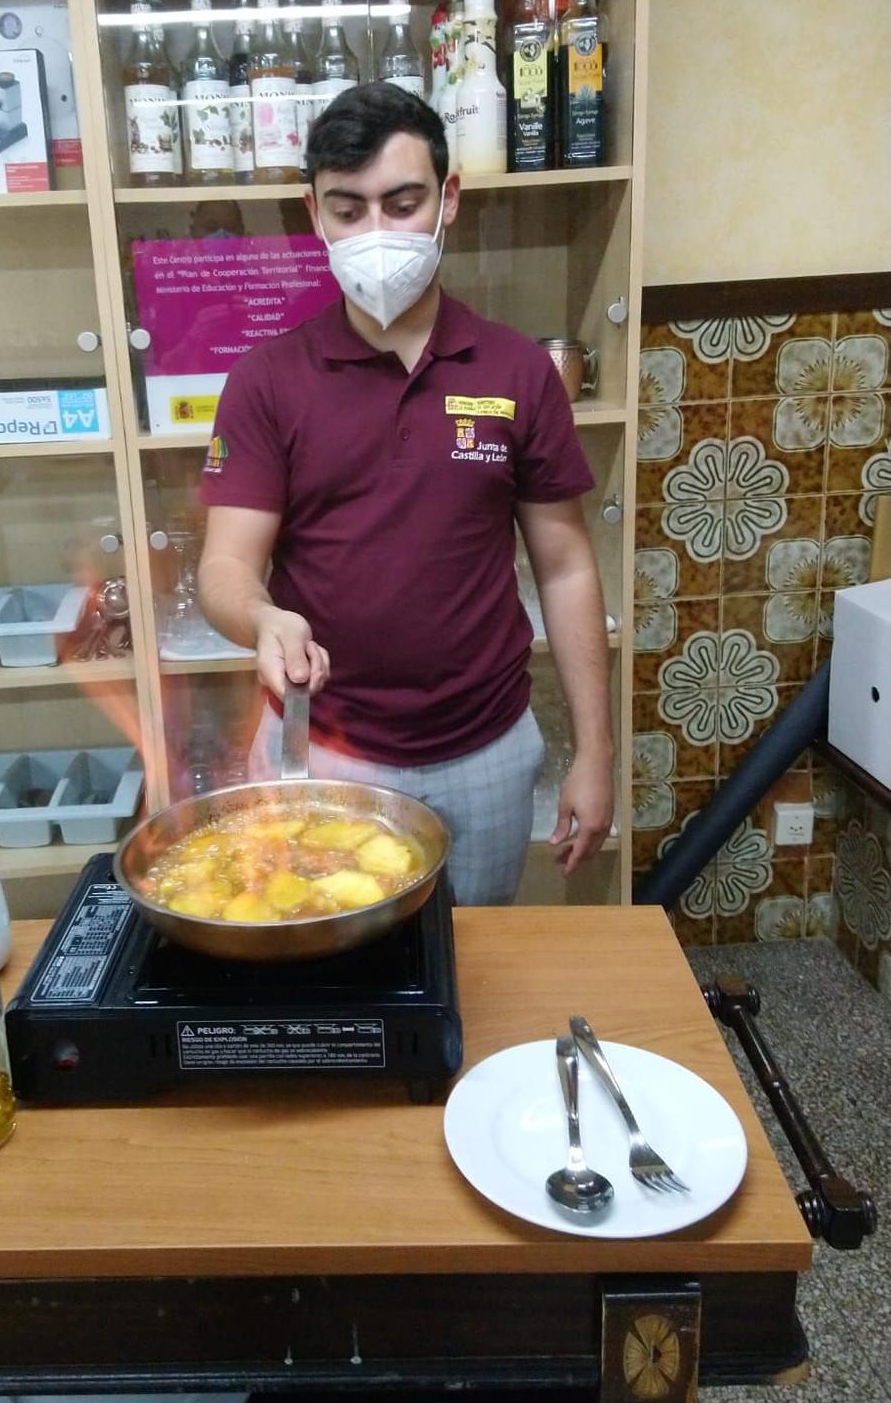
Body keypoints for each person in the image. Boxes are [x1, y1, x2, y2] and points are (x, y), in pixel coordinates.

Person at [197, 82, 614, 905]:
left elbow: (565, 569)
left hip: (488, 747)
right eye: (348, 210)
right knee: (328, 974)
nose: (376, 233)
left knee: (472, 970)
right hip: (324, 746)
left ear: (448, 199)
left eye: (403, 202)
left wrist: (596, 753)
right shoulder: (267, 381)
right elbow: (224, 570)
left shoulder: (517, 372)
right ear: (314, 213)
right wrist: (263, 619)